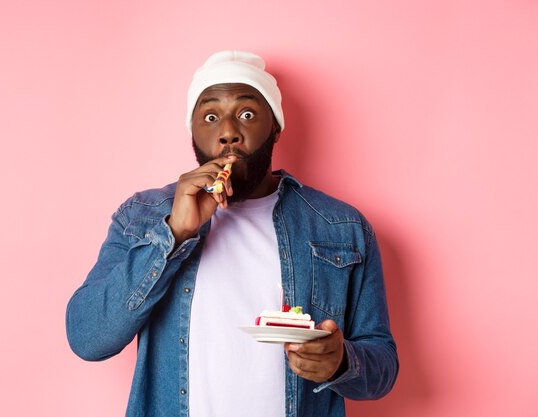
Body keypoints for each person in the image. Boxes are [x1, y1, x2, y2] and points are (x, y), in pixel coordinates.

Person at [66, 50, 398, 417]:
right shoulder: (141, 216)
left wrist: (341, 362)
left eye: (247, 114)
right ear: (192, 131)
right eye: (210, 116)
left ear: (275, 126)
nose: (228, 132)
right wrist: (174, 233)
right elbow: (88, 338)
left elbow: (382, 367)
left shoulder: (341, 226)